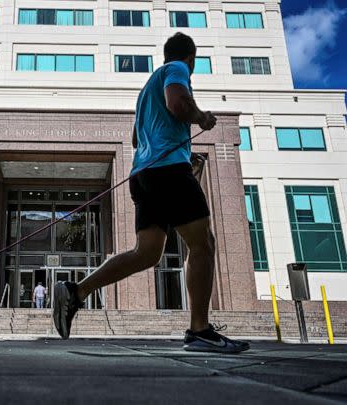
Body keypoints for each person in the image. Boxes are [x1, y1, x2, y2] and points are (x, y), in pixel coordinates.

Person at [53, 32, 250, 353]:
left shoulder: (146, 90)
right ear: (191, 58)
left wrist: (183, 151)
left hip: (143, 174)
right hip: (168, 171)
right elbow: (177, 103)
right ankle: (200, 330)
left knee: (147, 253)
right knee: (203, 243)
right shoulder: (177, 69)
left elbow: (135, 138)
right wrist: (201, 117)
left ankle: (76, 292)